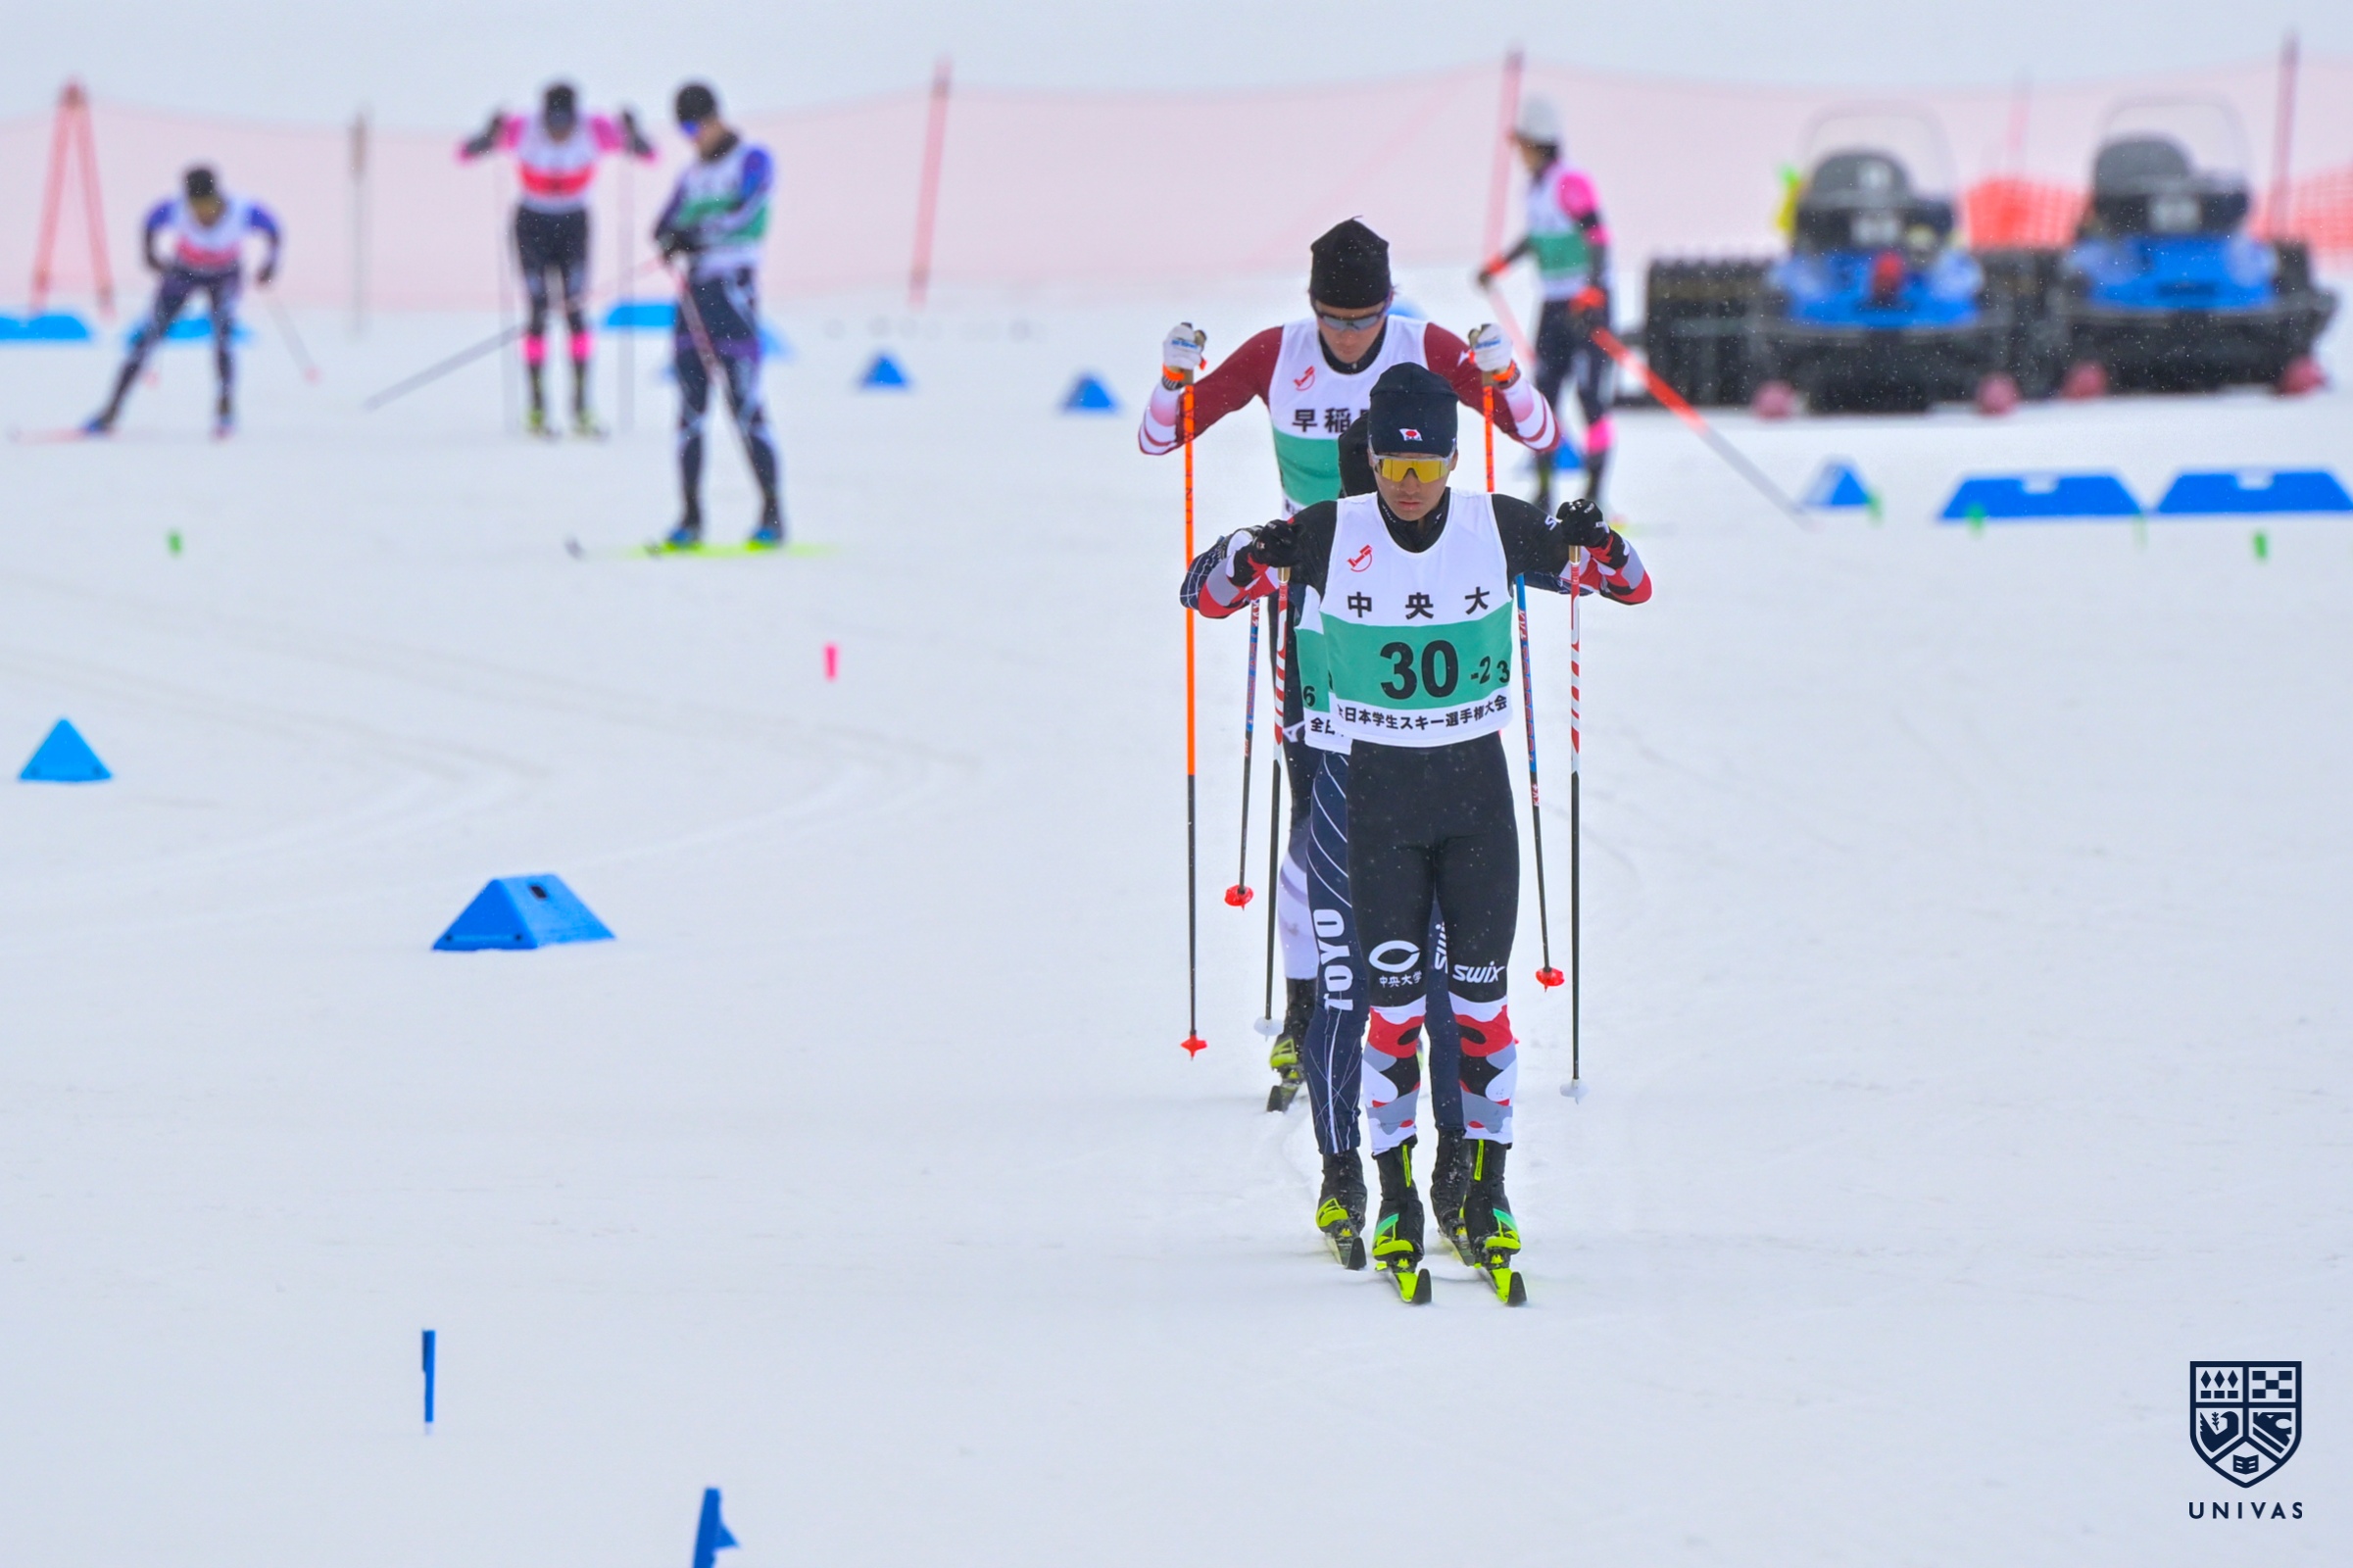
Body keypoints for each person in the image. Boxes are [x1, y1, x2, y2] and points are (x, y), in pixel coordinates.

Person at [1184, 364, 1652, 1295]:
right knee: (1393, 1016)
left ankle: (1487, 1191)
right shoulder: (1329, 532)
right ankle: (1394, 1195)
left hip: (1475, 804)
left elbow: (1630, 588)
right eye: (1392, 466)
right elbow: (1205, 595)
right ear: (1371, 462)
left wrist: (1599, 538)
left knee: (1480, 1012)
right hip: (1380, 807)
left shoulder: (1497, 524)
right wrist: (1246, 549)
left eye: (1425, 465)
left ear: (1449, 459)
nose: (1408, 483)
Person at [1144, 219, 1560, 1119]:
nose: (1346, 335)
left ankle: (1439, 1011)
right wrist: (1173, 381)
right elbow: (1160, 437)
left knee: (1430, 807)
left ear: (1388, 305)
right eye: (1332, 319)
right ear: (1310, 307)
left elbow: (1532, 429)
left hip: (1416, 600)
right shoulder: (1276, 353)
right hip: (1314, 603)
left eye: (1364, 318)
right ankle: (1307, 1016)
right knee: (1316, 826)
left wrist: (1502, 374)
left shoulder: (1424, 347)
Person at [461, 82, 655, 437]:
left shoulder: (595, 128)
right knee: (537, 313)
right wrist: (489, 132)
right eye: (553, 124)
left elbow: (648, 154)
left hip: (573, 226)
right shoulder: (522, 127)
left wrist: (633, 131)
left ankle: (581, 408)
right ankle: (536, 407)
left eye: (565, 124)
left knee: (575, 312)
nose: (559, 132)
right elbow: (466, 153)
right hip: (531, 224)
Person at [653, 81, 783, 549]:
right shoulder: (690, 176)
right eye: (684, 131)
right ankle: (690, 519)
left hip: (733, 293)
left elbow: (747, 212)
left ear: (715, 119)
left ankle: (772, 515)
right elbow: (664, 223)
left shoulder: (752, 159)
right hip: (695, 295)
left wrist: (696, 233)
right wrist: (670, 238)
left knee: (745, 405)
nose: (692, 138)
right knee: (690, 412)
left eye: (695, 128)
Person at [1478, 97, 1616, 512]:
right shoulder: (1535, 189)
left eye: (1521, 143)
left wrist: (1593, 291)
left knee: (1590, 398)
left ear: (1537, 142)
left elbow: (1598, 236)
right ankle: (1543, 495)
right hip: (1554, 305)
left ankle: (1594, 496)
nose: (1518, 152)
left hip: (1586, 304)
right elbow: (1535, 238)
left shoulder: (1570, 181)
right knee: (1544, 398)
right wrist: (1498, 266)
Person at [85, 167, 280, 437]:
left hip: (224, 275)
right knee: (148, 336)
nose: (201, 213)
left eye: (206, 206)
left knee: (223, 338)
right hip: (183, 273)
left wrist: (270, 264)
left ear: (216, 197)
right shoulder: (177, 209)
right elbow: (150, 222)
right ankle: (110, 411)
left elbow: (273, 230)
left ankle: (225, 410)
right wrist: (150, 255)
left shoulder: (242, 210)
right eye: (195, 207)